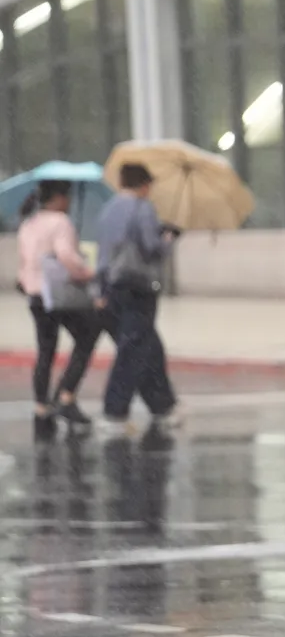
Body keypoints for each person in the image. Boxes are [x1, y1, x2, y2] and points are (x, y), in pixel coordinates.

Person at [96, 163, 180, 434]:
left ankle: (163, 405)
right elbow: (151, 246)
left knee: (148, 346)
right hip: (139, 287)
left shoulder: (108, 210)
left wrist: (100, 290)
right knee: (134, 348)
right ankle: (114, 411)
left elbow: (103, 254)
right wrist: (168, 237)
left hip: (112, 286)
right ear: (144, 184)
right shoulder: (143, 209)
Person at [16, 180, 101, 438]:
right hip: (59, 295)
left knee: (45, 349)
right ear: (60, 198)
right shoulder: (60, 222)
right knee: (87, 335)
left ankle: (42, 405)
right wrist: (87, 271)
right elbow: (66, 256)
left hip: (35, 295)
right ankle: (65, 395)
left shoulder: (28, 224)